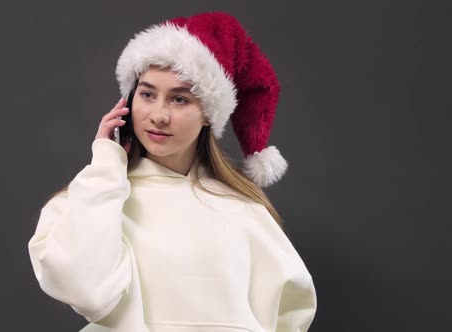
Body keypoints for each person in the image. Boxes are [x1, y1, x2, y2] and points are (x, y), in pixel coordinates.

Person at [27, 12, 317, 332]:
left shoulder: (246, 213)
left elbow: (288, 316)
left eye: (180, 99)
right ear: (129, 100)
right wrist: (106, 165)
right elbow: (86, 292)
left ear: (208, 113)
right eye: (148, 94)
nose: (159, 116)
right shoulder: (89, 199)